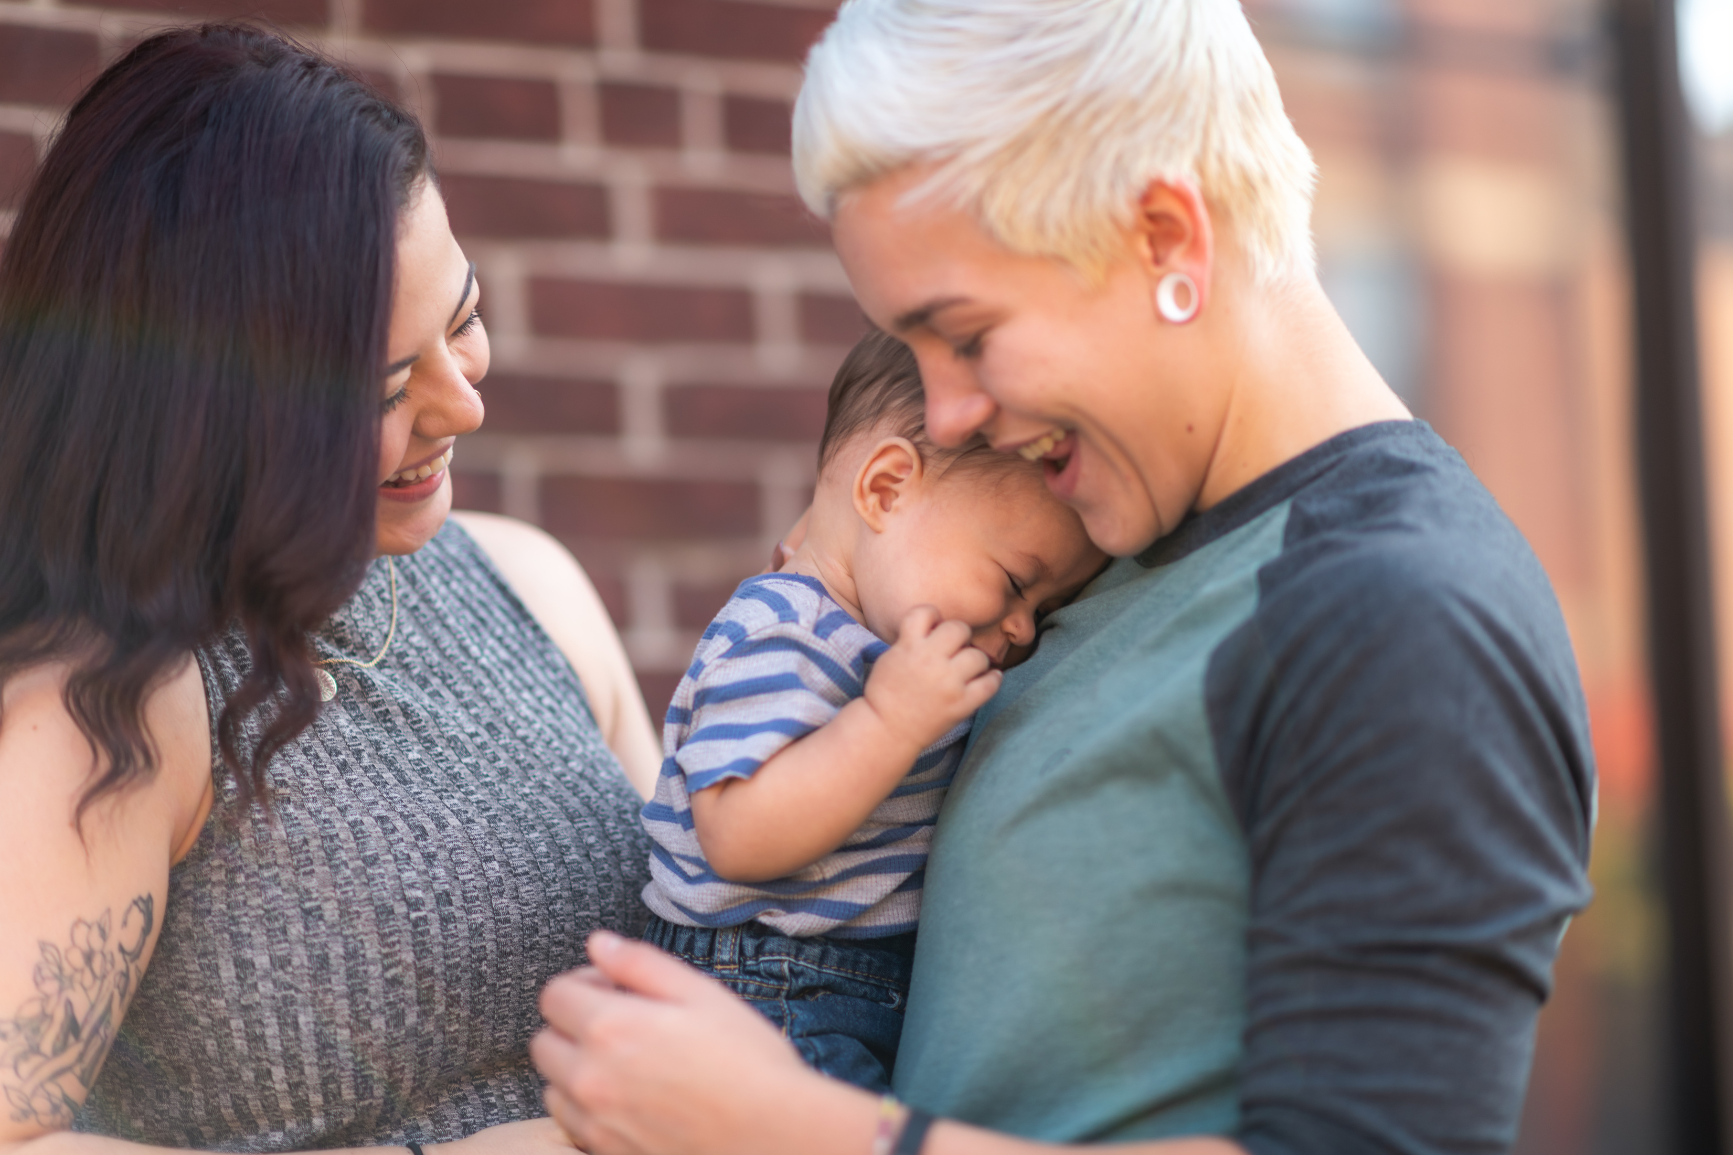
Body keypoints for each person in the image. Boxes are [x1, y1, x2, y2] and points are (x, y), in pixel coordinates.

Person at [530, 2, 1598, 1153]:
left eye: (969, 335)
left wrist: (787, 1130)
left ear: (1161, 237)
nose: (946, 414)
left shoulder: (1400, 613)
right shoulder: (1092, 537)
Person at [0, 23, 656, 1154]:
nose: (463, 407)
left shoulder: (530, 587)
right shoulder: (117, 707)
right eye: (383, 385)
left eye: (465, 321)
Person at [639, 330, 1104, 1092]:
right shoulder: (784, 630)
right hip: (764, 988)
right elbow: (735, 832)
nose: (1023, 627)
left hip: (832, 989)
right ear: (885, 488)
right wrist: (888, 722)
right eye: (1017, 582)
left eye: (1049, 606)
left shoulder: (862, 636)